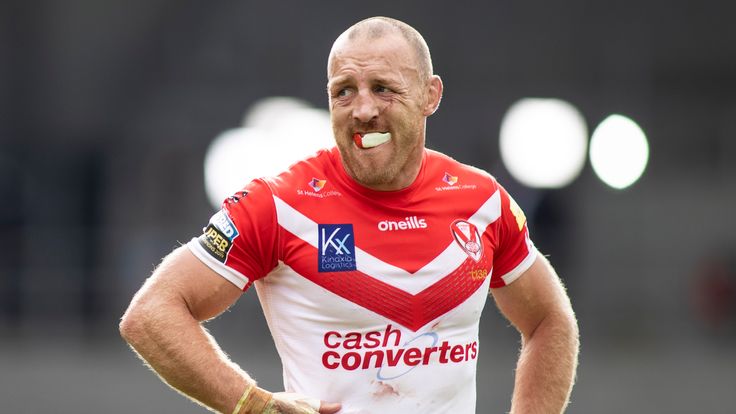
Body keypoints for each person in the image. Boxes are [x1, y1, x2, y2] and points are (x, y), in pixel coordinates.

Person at [120, 16, 579, 414]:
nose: (363, 109)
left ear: (429, 95)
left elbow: (550, 320)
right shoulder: (277, 204)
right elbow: (151, 315)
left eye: (383, 88)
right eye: (344, 92)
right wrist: (251, 405)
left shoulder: (482, 201)